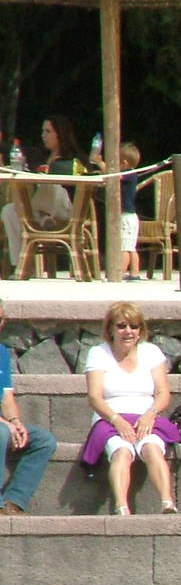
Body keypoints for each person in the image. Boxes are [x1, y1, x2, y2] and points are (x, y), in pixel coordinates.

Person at [81, 301, 180, 515]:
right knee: (122, 452)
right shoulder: (98, 353)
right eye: (122, 326)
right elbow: (95, 397)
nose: (128, 331)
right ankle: (121, 507)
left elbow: (163, 393)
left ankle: (167, 503)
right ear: (110, 329)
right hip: (110, 418)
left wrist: (150, 415)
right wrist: (117, 420)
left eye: (134, 326)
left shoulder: (151, 352)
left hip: (146, 417)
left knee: (152, 449)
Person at [2, 114, 88, 272]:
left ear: (60, 133)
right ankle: (21, 265)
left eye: (48, 131)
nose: (43, 135)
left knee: (51, 185)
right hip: (41, 208)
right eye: (42, 131)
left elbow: (87, 179)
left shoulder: (76, 158)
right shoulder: (39, 156)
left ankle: (43, 217)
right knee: (8, 211)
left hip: (68, 210)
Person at [1, 298, 58, 514]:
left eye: (1, 319)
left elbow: (6, 397)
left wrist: (15, 422)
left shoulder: (1, 353)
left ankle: (13, 502)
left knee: (44, 441)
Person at [91, 140, 142, 282]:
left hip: (127, 217)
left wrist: (100, 163)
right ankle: (134, 273)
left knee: (124, 247)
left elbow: (113, 177)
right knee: (130, 246)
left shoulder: (129, 174)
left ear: (124, 163)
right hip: (129, 216)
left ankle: (119, 273)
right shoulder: (129, 174)